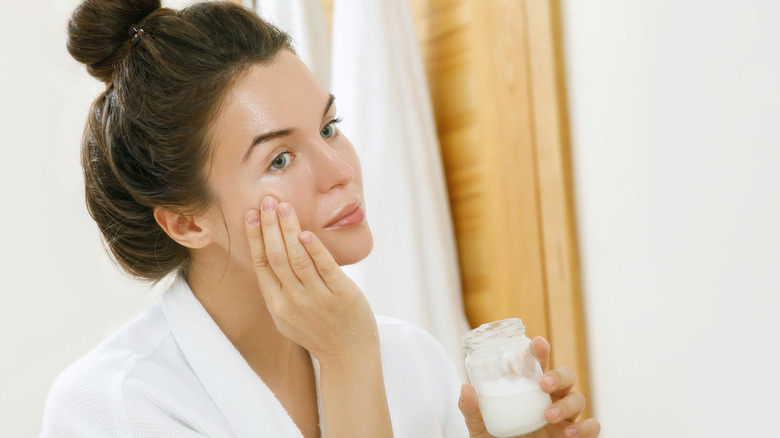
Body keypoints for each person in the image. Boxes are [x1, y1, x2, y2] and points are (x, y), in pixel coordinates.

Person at [42, 0, 601, 437]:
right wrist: (346, 360)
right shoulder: (114, 407)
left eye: (329, 128)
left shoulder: (414, 362)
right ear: (187, 223)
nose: (341, 169)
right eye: (279, 159)